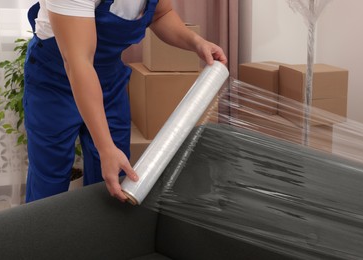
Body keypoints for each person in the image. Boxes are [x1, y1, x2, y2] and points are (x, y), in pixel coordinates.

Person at [24, 0, 227, 203]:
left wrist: (196, 42)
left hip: (108, 77)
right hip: (54, 80)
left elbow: (160, 14)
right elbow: (78, 62)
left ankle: (101, 234)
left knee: (114, 178)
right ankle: (42, 233)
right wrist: (105, 147)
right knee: (50, 176)